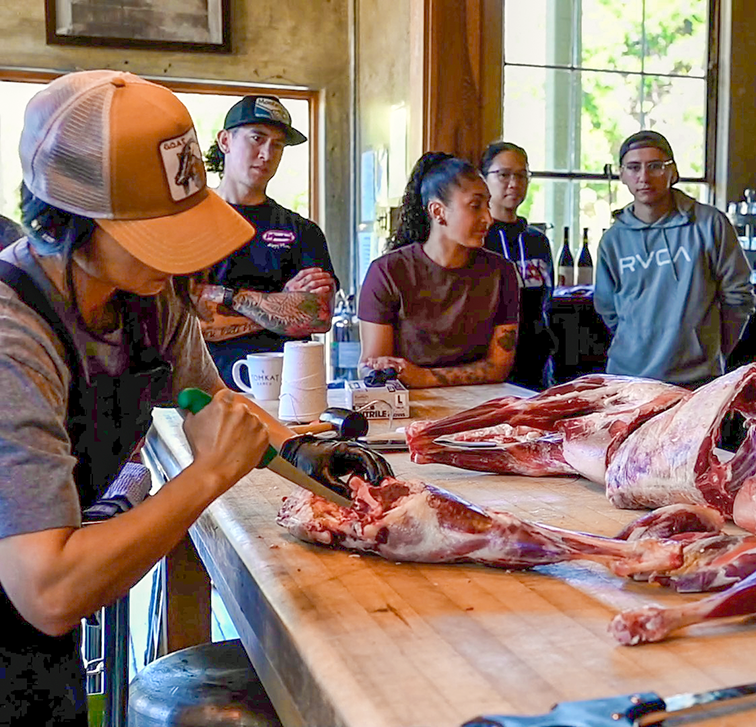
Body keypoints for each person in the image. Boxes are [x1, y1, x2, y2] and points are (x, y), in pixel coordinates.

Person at [0, 71, 389, 725]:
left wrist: (307, 453)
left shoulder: (151, 299)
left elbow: (212, 401)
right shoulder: (15, 335)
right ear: (70, 221)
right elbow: (48, 589)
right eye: (156, 231)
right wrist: (207, 476)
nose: (179, 259)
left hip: (43, 639)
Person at [594, 130, 755, 387]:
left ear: (673, 172)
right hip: (626, 379)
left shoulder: (710, 224)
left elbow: (739, 298)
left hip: (697, 381)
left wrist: (709, 350)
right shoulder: (613, 240)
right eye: (633, 168)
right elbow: (608, 309)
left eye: (655, 166)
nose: (644, 177)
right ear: (622, 175)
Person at [196, 95, 337, 387]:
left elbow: (317, 317)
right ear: (225, 141)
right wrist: (283, 309)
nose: (266, 153)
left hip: (288, 396)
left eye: (277, 144)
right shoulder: (186, 221)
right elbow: (185, 321)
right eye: (257, 138)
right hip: (202, 391)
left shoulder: (302, 231)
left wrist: (229, 297)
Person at [357, 152, 519, 388]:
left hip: (482, 405)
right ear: (437, 211)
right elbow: (373, 364)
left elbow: (499, 367)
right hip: (409, 407)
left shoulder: (502, 273)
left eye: (488, 205)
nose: (488, 218)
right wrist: (384, 371)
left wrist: (424, 377)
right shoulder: (387, 272)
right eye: (475, 206)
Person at [480, 141, 556, 390]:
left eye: (522, 175)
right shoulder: (476, 238)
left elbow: (547, 300)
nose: (514, 183)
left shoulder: (537, 240)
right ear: (484, 179)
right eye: (503, 174)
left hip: (536, 366)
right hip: (487, 365)